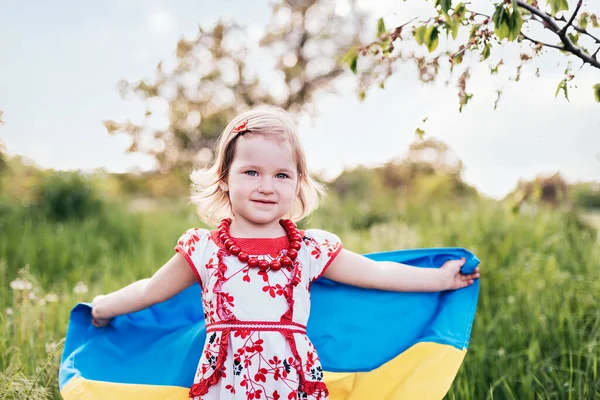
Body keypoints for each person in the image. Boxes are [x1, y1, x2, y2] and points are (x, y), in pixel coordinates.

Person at [91, 105, 480, 400]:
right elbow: (150, 292)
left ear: (297, 185)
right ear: (225, 179)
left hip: (292, 383)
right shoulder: (205, 249)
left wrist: (441, 279)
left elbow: (378, 274)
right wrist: (104, 307)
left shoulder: (309, 249)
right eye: (251, 172)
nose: (266, 186)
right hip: (227, 384)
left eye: (281, 175)